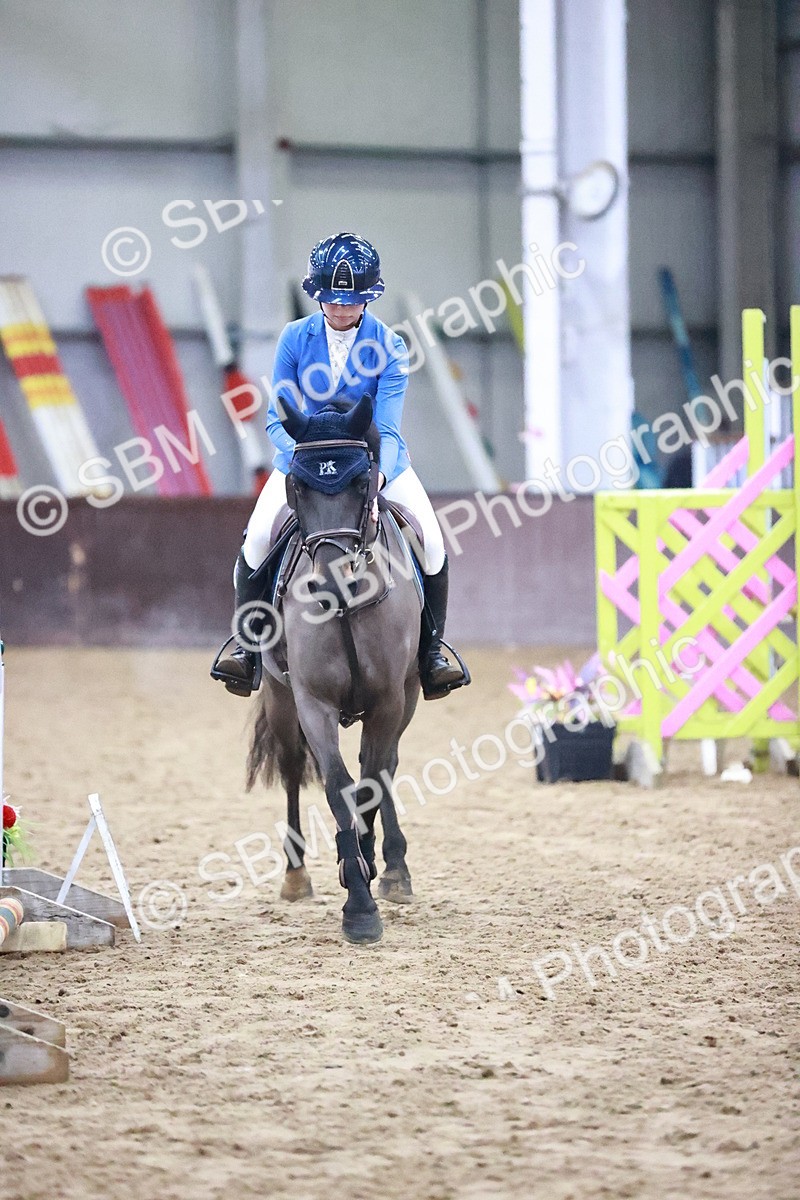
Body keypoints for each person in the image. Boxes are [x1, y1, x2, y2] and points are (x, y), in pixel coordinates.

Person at [214, 231, 468, 701]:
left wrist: (379, 478)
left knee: (432, 544)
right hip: (304, 461)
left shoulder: (390, 347)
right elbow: (278, 416)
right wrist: (303, 463)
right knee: (254, 544)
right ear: (318, 296)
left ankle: (432, 654)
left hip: (373, 462)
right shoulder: (295, 337)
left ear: (368, 298)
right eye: (331, 300)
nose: (340, 309)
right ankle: (247, 651)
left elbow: (388, 428)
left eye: (350, 302)